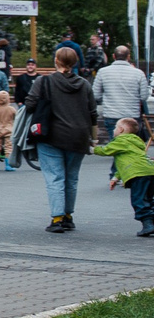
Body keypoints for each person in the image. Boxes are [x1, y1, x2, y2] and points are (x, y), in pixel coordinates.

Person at [32, 45, 97, 232]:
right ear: (75, 63)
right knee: (72, 178)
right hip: (78, 136)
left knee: (55, 177)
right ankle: (68, 216)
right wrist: (93, 138)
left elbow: (30, 104)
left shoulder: (44, 81)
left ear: (56, 61)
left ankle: (57, 218)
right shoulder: (84, 84)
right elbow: (93, 113)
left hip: (50, 136)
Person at [90, 118, 154, 235]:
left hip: (138, 173)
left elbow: (105, 150)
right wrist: (115, 178)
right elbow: (127, 162)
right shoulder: (135, 142)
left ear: (120, 129)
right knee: (148, 199)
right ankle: (151, 221)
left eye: (115, 127)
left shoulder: (121, 140)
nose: (114, 130)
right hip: (150, 171)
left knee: (138, 200)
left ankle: (148, 224)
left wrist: (91, 149)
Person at [95, 44, 148, 140]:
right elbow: (144, 96)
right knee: (131, 144)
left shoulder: (102, 72)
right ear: (128, 57)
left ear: (113, 56)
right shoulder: (139, 73)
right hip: (132, 115)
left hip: (111, 114)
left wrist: (108, 99)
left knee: (114, 143)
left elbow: (96, 95)